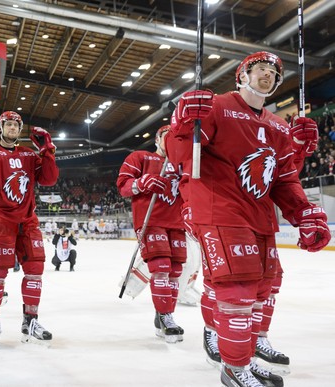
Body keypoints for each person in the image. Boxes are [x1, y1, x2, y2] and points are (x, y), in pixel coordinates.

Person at [165, 51, 330, 387]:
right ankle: (234, 367)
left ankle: (247, 357)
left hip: (260, 217)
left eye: (273, 72)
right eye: (259, 69)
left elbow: (284, 179)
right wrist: (182, 124)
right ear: (241, 75)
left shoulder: (277, 125)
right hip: (220, 210)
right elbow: (181, 155)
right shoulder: (216, 106)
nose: (267, 75)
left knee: (262, 290)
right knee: (237, 290)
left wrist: (305, 214)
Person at [0, 110, 59, 343]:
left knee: (35, 269)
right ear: (0, 128)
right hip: (0, 219)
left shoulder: (29, 155)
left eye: (16, 125)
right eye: (8, 124)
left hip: (28, 220)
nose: (12, 128)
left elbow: (49, 179)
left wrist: (47, 151)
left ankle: (30, 321)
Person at [117, 125, 186, 344]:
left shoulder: (183, 165)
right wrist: (141, 182)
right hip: (151, 221)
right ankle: (166, 316)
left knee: (175, 271)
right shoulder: (140, 157)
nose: (172, 141)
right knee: (161, 267)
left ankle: (164, 315)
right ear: (157, 140)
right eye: (167, 137)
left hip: (177, 223)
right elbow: (123, 186)